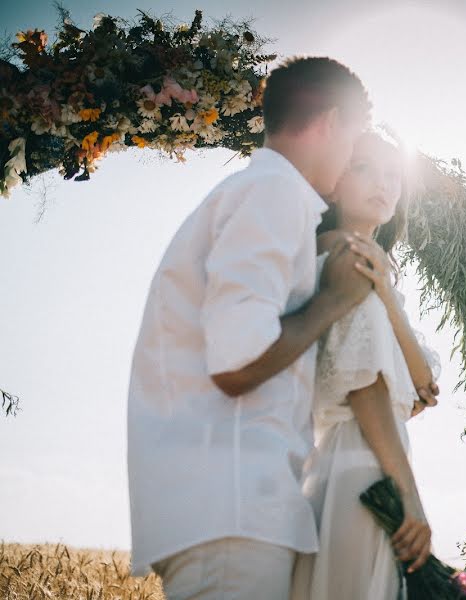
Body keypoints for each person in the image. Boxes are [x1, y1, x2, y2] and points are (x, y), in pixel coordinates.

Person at [127, 56, 372, 600]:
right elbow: (238, 362)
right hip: (233, 510)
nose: (354, 157)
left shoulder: (254, 194)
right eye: (355, 137)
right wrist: (333, 301)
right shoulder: (273, 193)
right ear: (331, 121)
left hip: (225, 508)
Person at [291, 129, 441, 600]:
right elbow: (366, 388)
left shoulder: (374, 268)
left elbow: (424, 387)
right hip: (362, 470)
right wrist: (411, 498)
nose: (384, 183)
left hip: (362, 465)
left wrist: (388, 301)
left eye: (393, 174)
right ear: (333, 181)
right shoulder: (344, 255)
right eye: (364, 168)